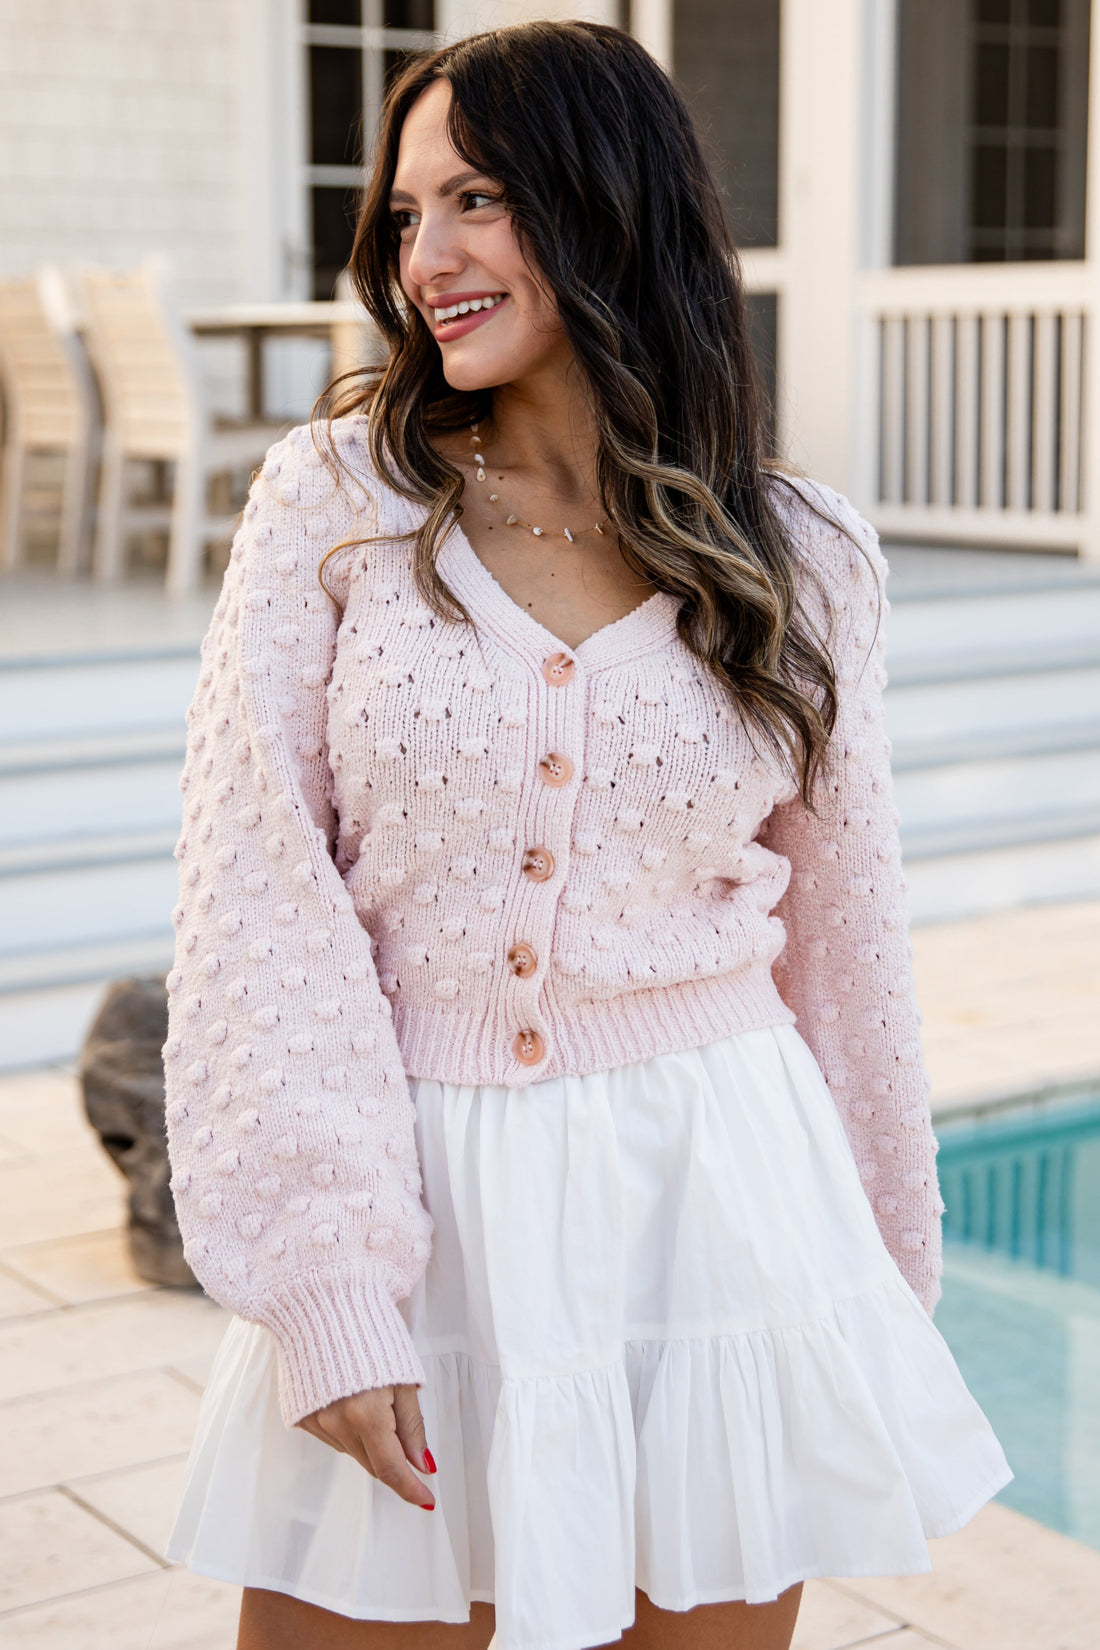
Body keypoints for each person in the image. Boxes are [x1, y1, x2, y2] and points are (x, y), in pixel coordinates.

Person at [163, 21, 1012, 1650]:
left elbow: (851, 941)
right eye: (406, 215)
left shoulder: (807, 551)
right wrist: (329, 1280)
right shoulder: (337, 505)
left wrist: (877, 1289)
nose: (428, 257)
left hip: (723, 1202)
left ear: (607, 201)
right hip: (423, 1191)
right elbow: (255, 901)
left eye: (476, 198)